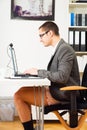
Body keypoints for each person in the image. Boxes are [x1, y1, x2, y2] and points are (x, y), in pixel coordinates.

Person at [14, 21, 80, 130]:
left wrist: (38, 72)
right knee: (21, 91)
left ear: (50, 33)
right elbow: (58, 74)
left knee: (19, 96)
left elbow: (62, 77)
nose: (40, 39)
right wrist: (36, 73)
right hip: (58, 89)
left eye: (41, 35)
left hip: (64, 93)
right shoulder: (59, 48)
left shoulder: (65, 49)